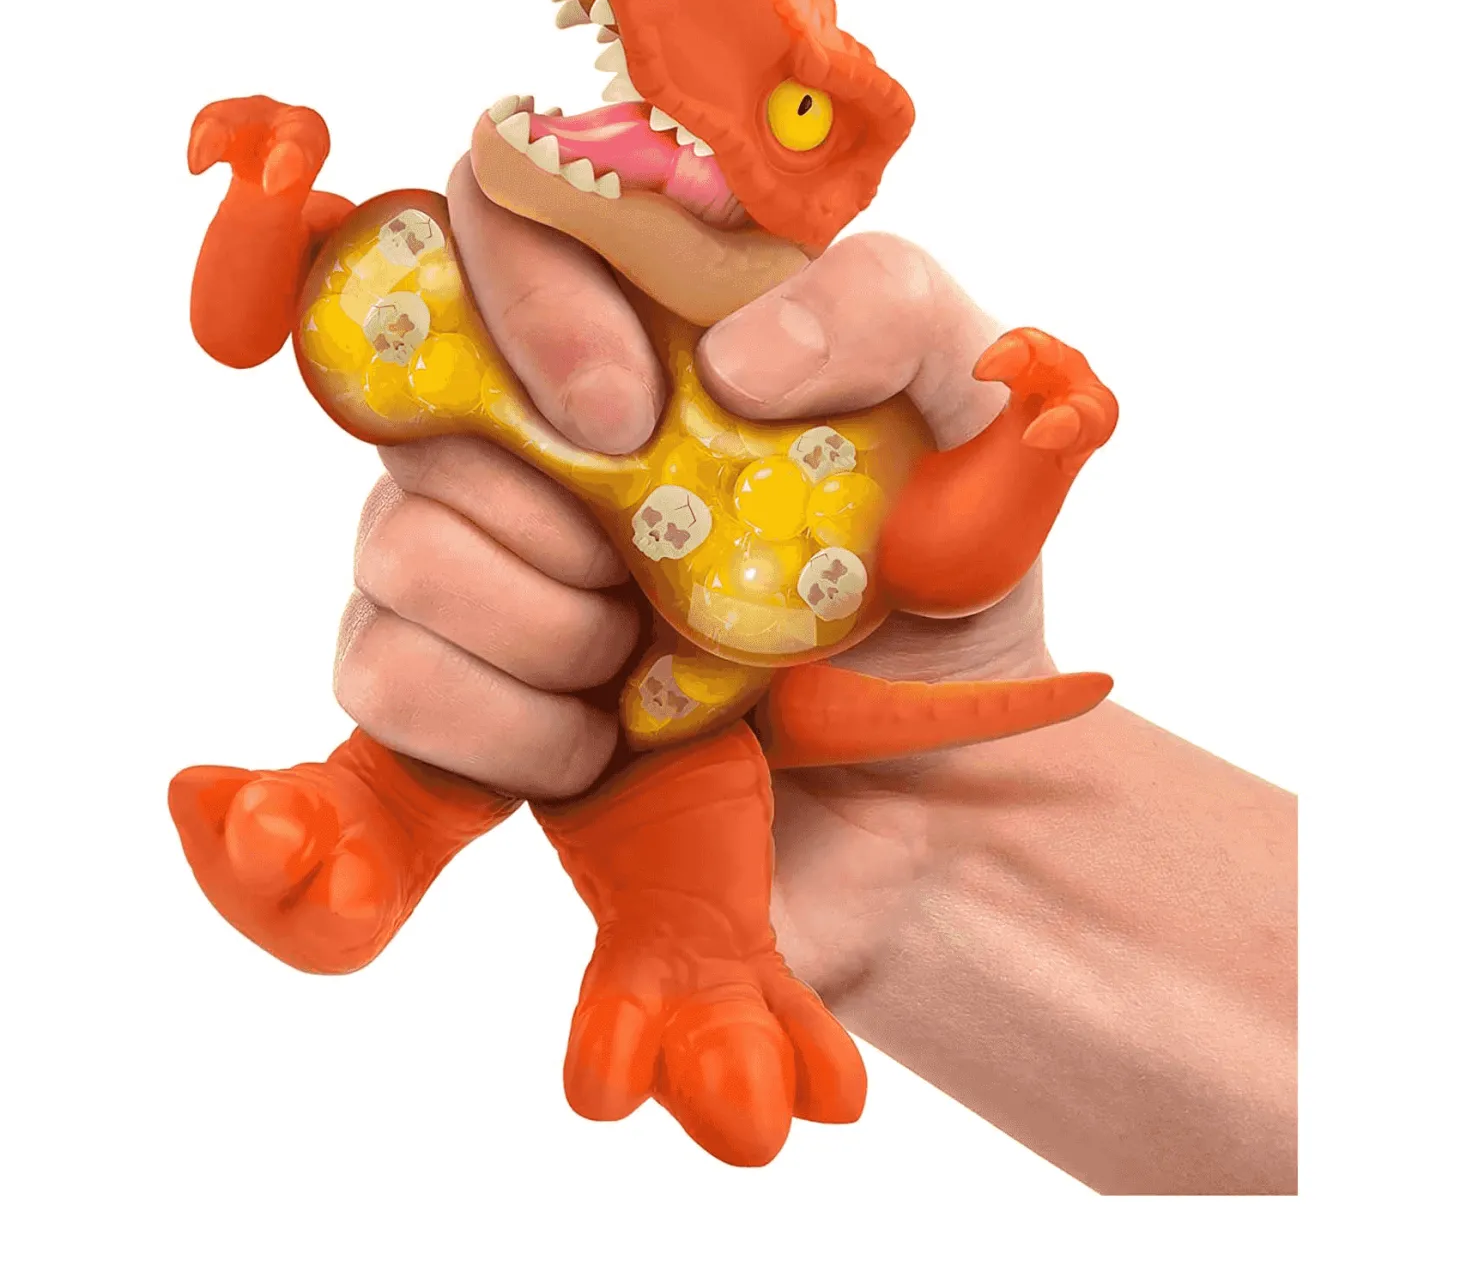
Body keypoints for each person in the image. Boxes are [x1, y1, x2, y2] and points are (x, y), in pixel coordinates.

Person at [335, 156, 1298, 1196]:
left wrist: (1027, 456)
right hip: (707, 688)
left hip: (733, 666)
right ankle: (360, 817)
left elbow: (939, 563)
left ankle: (372, 827)